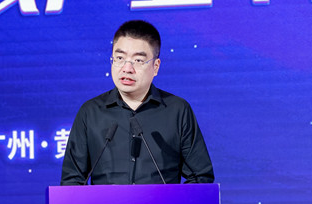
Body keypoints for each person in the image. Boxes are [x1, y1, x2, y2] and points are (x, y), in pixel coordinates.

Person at [60, 20, 214, 185]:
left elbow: (200, 177)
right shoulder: (90, 112)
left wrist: (171, 201)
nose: (127, 68)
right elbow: (72, 181)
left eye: (138, 60)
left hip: (162, 203)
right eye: (120, 58)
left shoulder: (178, 111)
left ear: (156, 66)